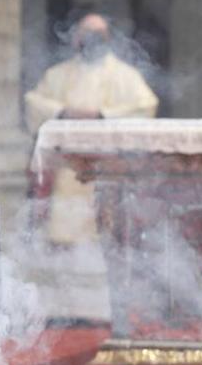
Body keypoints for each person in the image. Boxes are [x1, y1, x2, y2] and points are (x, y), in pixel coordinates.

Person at [24, 13, 159, 245]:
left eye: (98, 34)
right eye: (86, 33)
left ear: (107, 39)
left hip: (107, 168)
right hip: (64, 169)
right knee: (62, 231)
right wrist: (63, 111)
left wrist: (102, 115)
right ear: (76, 38)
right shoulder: (58, 74)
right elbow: (34, 102)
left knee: (103, 233)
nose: (91, 39)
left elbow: (146, 106)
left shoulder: (125, 76)